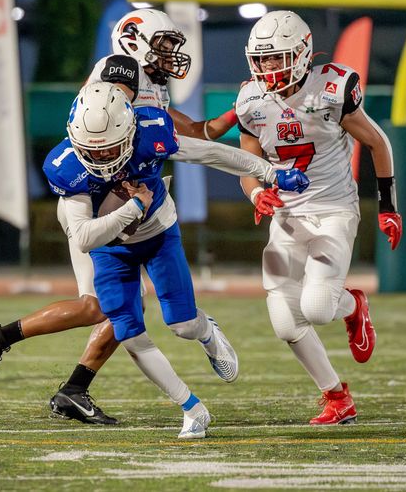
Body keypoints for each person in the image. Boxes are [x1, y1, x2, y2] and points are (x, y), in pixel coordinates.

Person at [0, 9, 241, 424]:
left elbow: (195, 133)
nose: (171, 54)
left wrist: (238, 111)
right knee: (99, 307)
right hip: (91, 203)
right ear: (134, 44)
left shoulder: (149, 85)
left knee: (117, 308)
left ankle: (72, 389)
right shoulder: (114, 78)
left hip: (115, 205)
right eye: (164, 45)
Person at [41, 81, 309, 437]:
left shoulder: (151, 132)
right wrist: (134, 206)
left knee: (182, 325)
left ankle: (207, 332)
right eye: (93, 150)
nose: (101, 158)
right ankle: (191, 408)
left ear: (128, 131)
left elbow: (210, 153)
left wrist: (270, 173)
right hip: (109, 248)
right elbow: (85, 238)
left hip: (157, 233)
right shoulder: (66, 165)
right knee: (129, 333)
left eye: (110, 148)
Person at [235, 10, 402, 425]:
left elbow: (378, 143)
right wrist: (256, 192)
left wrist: (387, 206)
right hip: (288, 217)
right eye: (261, 59)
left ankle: (352, 305)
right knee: (284, 321)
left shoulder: (331, 88)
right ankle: (336, 397)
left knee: (317, 307)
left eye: (277, 58)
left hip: (332, 211)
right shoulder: (251, 101)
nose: (268, 68)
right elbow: (247, 165)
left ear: (302, 54)